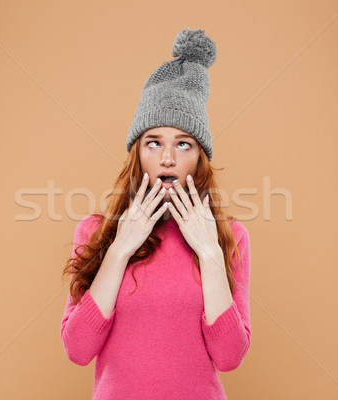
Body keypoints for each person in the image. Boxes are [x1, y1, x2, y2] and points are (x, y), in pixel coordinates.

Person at [60, 27, 251, 400]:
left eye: (183, 144)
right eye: (154, 142)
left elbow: (229, 358)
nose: (167, 158)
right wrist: (119, 250)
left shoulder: (231, 237)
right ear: (138, 154)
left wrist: (209, 252)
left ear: (199, 158)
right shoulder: (95, 232)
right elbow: (78, 349)